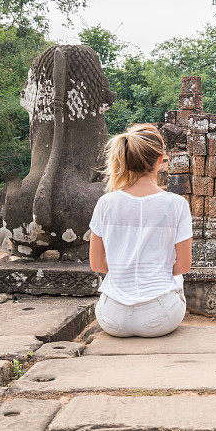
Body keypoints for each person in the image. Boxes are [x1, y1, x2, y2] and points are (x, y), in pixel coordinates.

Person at [89, 123, 192, 337]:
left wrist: (123, 270)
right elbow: (183, 265)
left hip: (112, 318)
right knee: (176, 279)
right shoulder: (177, 204)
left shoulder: (105, 203)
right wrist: (156, 272)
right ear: (160, 160)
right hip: (160, 317)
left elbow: (97, 264)